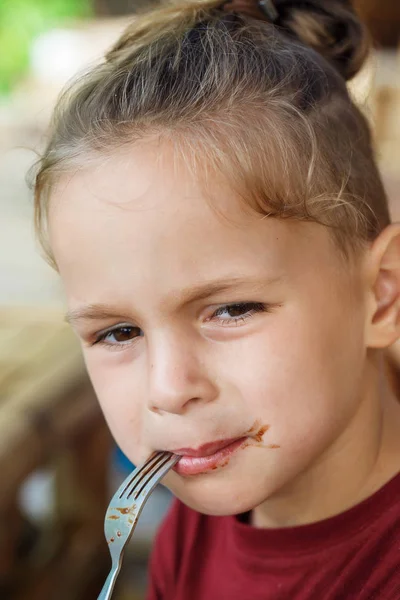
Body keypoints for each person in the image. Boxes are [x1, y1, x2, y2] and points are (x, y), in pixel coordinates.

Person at [32, 0, 400, 597]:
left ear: (381, 296)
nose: (169, 390)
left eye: (232, 309)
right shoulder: (197, 529)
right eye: (119, 332)